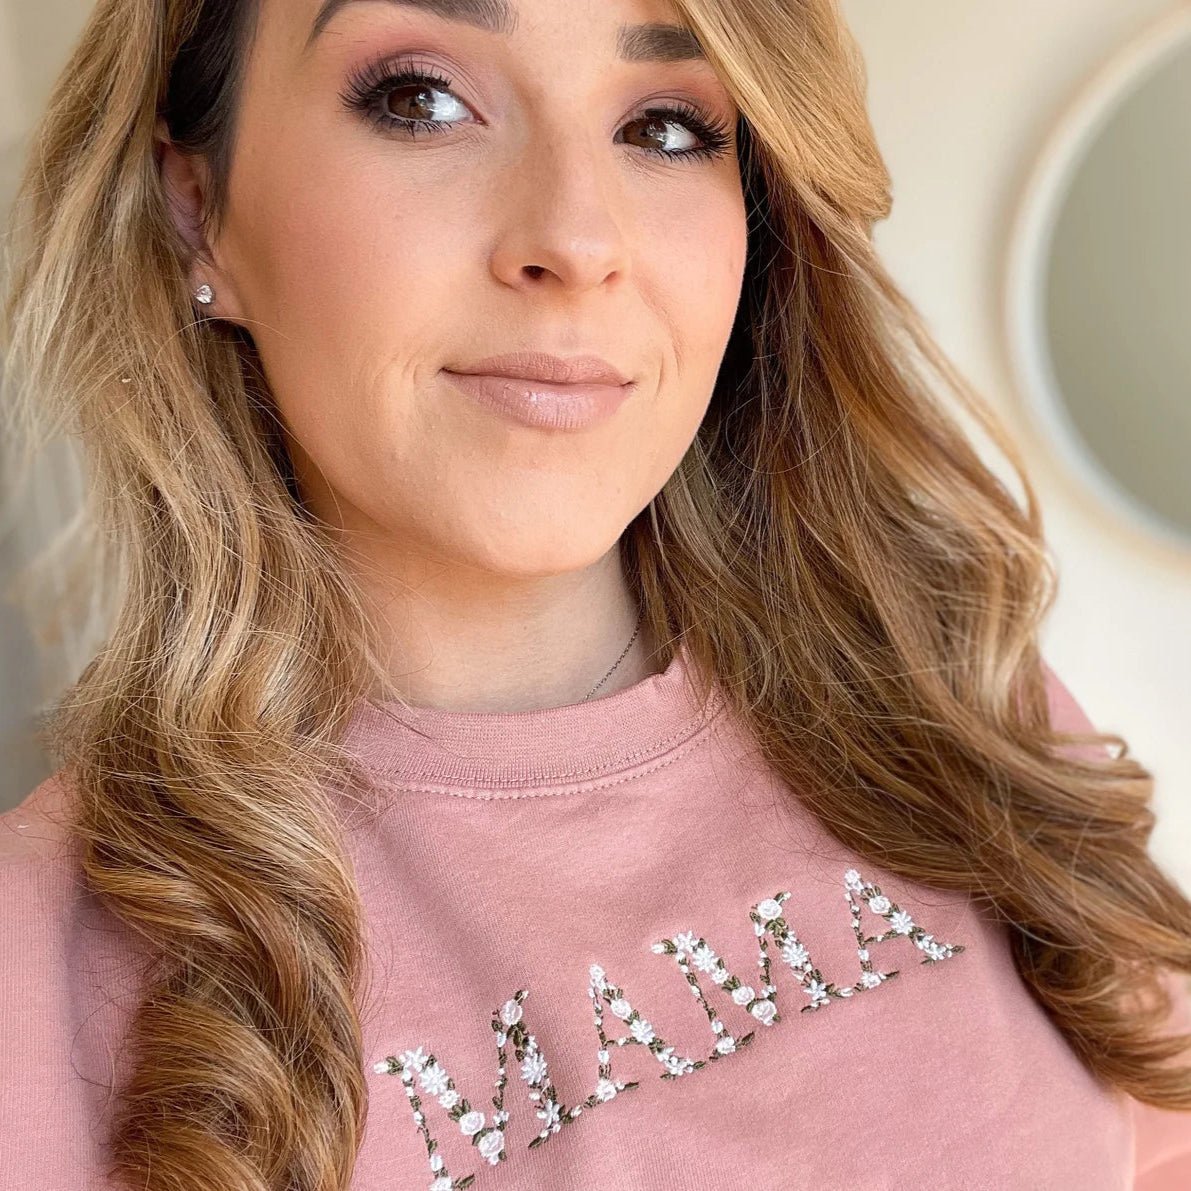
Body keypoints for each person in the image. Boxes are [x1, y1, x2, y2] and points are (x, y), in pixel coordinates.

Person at [1, 0, 1188, 1187]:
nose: (576, 239)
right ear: (198, 210)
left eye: (666, 127)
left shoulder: (950, 700)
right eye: (422, 100)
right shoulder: (38, 978)